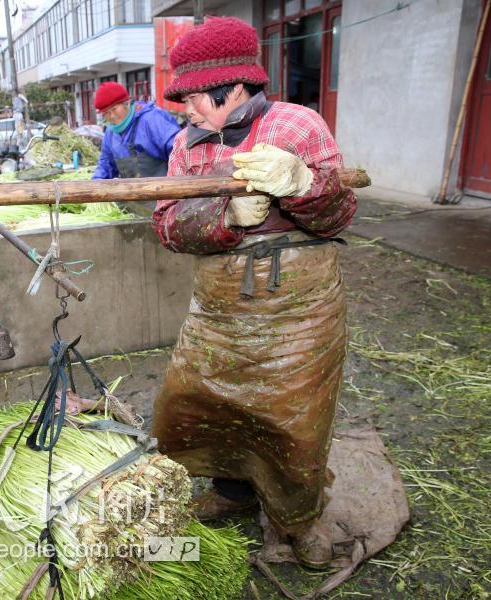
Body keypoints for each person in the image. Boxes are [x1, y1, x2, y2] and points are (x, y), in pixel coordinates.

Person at [150, 16, 356, 569]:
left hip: (300, 309)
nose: (186, 109)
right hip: (218, 308)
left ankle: (297, 520)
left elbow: (340, 212)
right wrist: (224, 214)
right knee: (201, 404)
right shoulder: (184, 146)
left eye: (193, 97)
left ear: (235, 87)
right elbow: (167, 225)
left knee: (295, 421)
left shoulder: (299, 128)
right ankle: (234, 491)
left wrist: (305, 186)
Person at [91, 81, 180, 181]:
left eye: (114, 109)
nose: (112, 116)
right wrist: (94, 185)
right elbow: (105, 167)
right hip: (135, 194)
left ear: (127, 103)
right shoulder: (110, 134)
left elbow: (180, 153)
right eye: (106, 113)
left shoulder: (152, 120)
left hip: (167, 191)